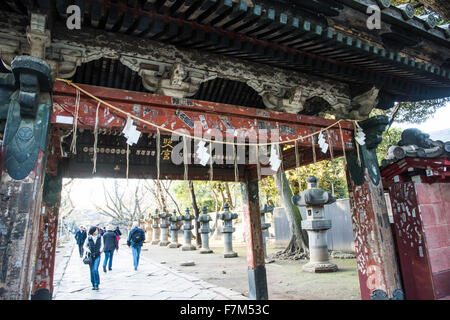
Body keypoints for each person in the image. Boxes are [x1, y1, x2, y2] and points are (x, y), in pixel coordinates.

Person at [85, 226, 103, 290]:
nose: (97, 231)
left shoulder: (100, 237)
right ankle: (93, 283)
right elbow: (85, 246)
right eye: (96, 230)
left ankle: (97, 284)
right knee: (92, 270)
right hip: (91, 256)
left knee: (95, 269)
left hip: (97, 255)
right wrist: (88, 250)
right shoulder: (88, 238)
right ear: (92, 231)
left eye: (97, 230)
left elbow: (102, 245)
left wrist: (100, 250)